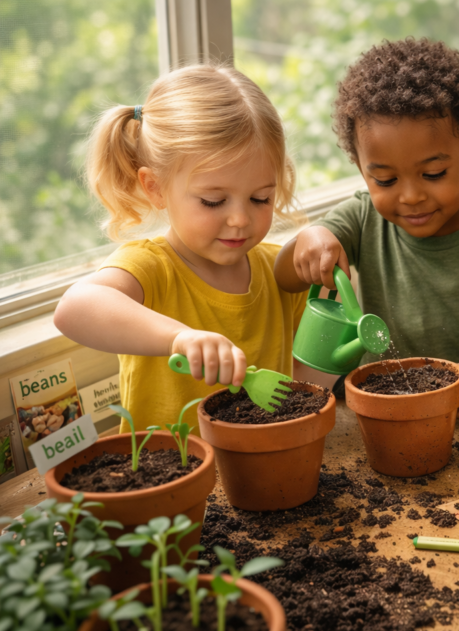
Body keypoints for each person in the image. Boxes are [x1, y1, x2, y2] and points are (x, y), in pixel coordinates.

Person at [274, 38, 459, 417]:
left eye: (433, 174)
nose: (410, 196)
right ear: (362, 170)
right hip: (376, 408)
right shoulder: (363, 217)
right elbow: (285, 276)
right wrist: (312, 237)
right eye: (385, 180)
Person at [54, 64, 306, 431]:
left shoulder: (279, 271)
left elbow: (305, 381)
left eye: (260, 198)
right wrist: (179, 337)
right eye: (213, 201)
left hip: (265, 473)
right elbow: (73, 310)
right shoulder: (150, 267)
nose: (240, 219)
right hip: (168, 475)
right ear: (155, 187)